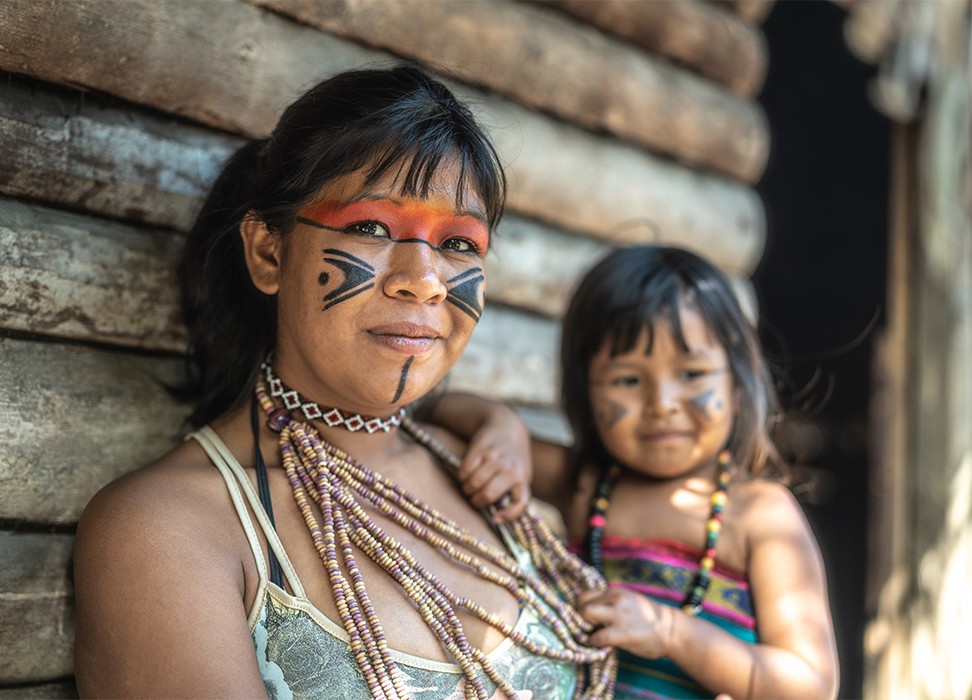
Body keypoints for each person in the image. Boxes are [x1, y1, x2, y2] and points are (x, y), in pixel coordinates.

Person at [72, 63, 616, 699]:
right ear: (268, 253)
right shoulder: (165, 529)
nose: (425, 278)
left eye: (459, 243)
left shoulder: (489, 472)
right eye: (370, 228)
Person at [430, 245, 840, 699]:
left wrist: (670, 633)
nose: (662, 404)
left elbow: (811, 684)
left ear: (738, 385)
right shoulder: (585, 485)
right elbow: (436, 408)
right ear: (587, 393)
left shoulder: (760, 514)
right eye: (628, 380)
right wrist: (501, 426)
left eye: (691, 374)